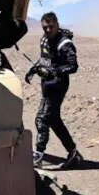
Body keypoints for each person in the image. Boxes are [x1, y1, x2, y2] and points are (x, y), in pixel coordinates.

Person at [24, 12, 83, 169]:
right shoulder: (44, 39)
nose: (48, 29)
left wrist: (54, 72)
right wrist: (34, 69)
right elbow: (45, 58)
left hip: (58, 85)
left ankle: (38, 155)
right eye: (45, 27)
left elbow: (73, 66)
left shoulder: (65, 44)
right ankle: (73, 152)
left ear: (57, 24)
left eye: (51, 26)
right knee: (54, 119)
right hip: (47, 84)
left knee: (42, 118)